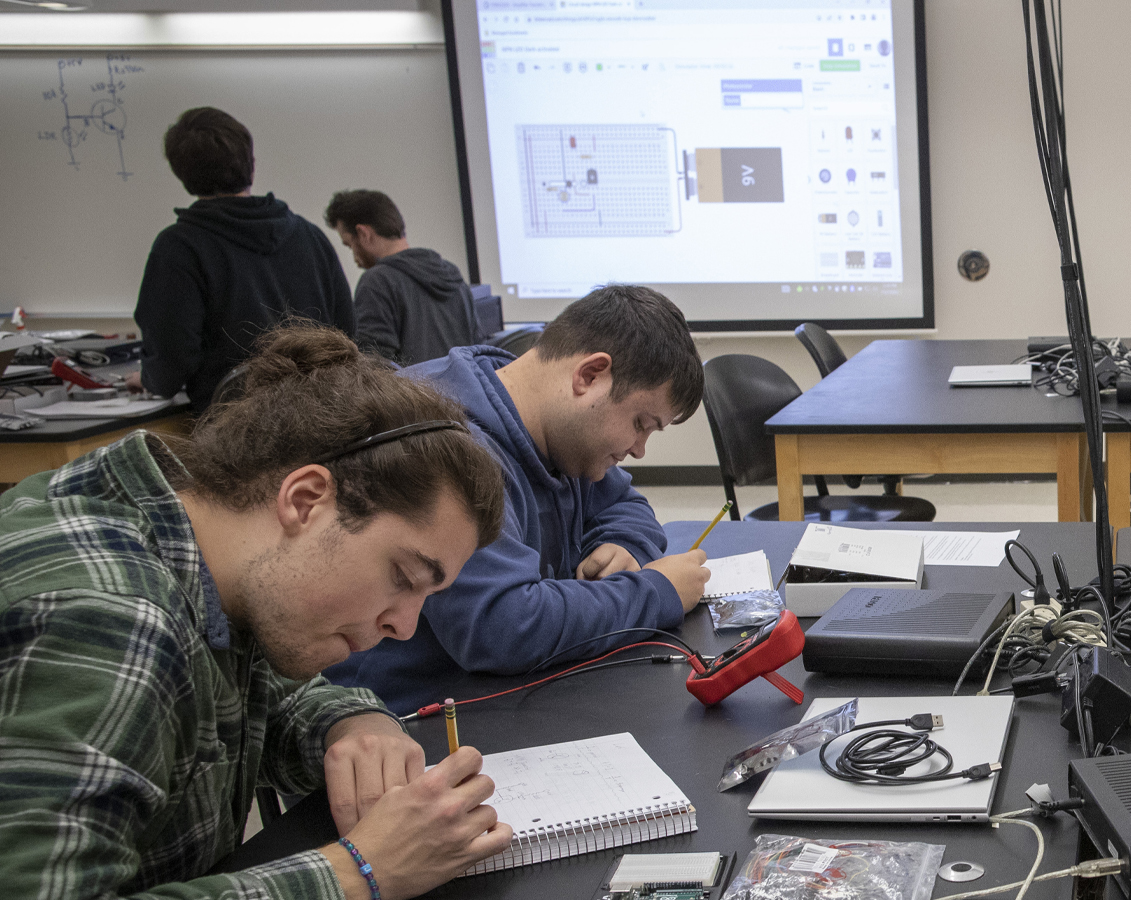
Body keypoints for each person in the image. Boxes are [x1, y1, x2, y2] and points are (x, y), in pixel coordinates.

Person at [0, 324, 513, 899]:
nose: (405, 625)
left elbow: (260, 694)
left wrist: (356, 722)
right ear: (305, 500)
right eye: (403, 578)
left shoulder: (205, 548)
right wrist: (358, 873)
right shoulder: (109, 620)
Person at [325, 284, 711, 712]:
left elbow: (626, 504)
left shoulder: (554, 427)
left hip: (503, 695)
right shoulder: (447, 449)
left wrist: (622, 544)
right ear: (589, 375)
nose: (639, 448)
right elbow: (503, 627)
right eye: (641, 423)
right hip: (411, 721)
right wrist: (657, 593)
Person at [130, 107, 355, 411]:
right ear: (251, 163)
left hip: (236, 431)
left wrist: (150, 378)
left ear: (181, 174)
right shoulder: (309, 235)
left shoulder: (179, 247)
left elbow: (172, 361)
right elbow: (346, 336)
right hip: (324, 417)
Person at [324, 189, 484, 366]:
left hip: (415, 394)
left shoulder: (376, 282)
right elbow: (479, 352)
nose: (355, 259)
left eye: (349, 244)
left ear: (363, 234)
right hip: (464, 392)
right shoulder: (452, 274)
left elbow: (375, 369)